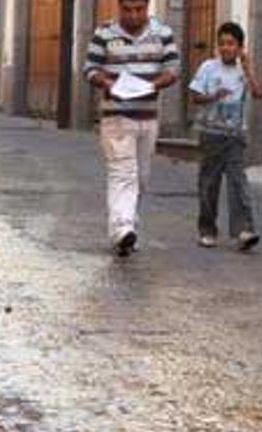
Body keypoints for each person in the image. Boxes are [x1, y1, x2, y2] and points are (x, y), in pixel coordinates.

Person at [82, 0, 180, 257]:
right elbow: (90, 69)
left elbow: (173, 70)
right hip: (116, 116)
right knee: (122, 172)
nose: (133, 15)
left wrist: (152, 86)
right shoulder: (104, 33)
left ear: (147, 6)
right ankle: (121, 229)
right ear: (119, 6)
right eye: (127, 9)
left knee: (141, 177)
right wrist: (109, 83)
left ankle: (128, 228)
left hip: (148, 116)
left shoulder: (163, 33)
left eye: (139, 9)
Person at [189, 22, 262, 251]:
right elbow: (195, 96)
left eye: (231, 43)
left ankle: (244, 230)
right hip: (211, 135)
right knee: (209, 184)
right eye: (222, 43)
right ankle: (207, 229)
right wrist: (213, 95)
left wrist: (249, 69)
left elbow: (258, 94)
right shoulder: (208, 67)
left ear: (240, 46)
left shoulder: (244, 70)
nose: (225, 48)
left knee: (238, 183)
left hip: (234, 137)